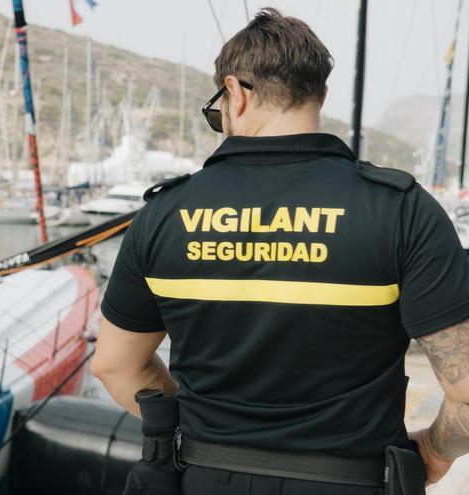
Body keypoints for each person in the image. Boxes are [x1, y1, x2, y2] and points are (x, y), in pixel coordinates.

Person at [91, 8, 469, 495]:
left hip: (204, 477)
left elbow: (115, 365)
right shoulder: (399, 210)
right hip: (352, 481)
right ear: (321, 95)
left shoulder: (165, 214)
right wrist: (434, 452)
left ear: (236, 93)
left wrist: (204, 426)